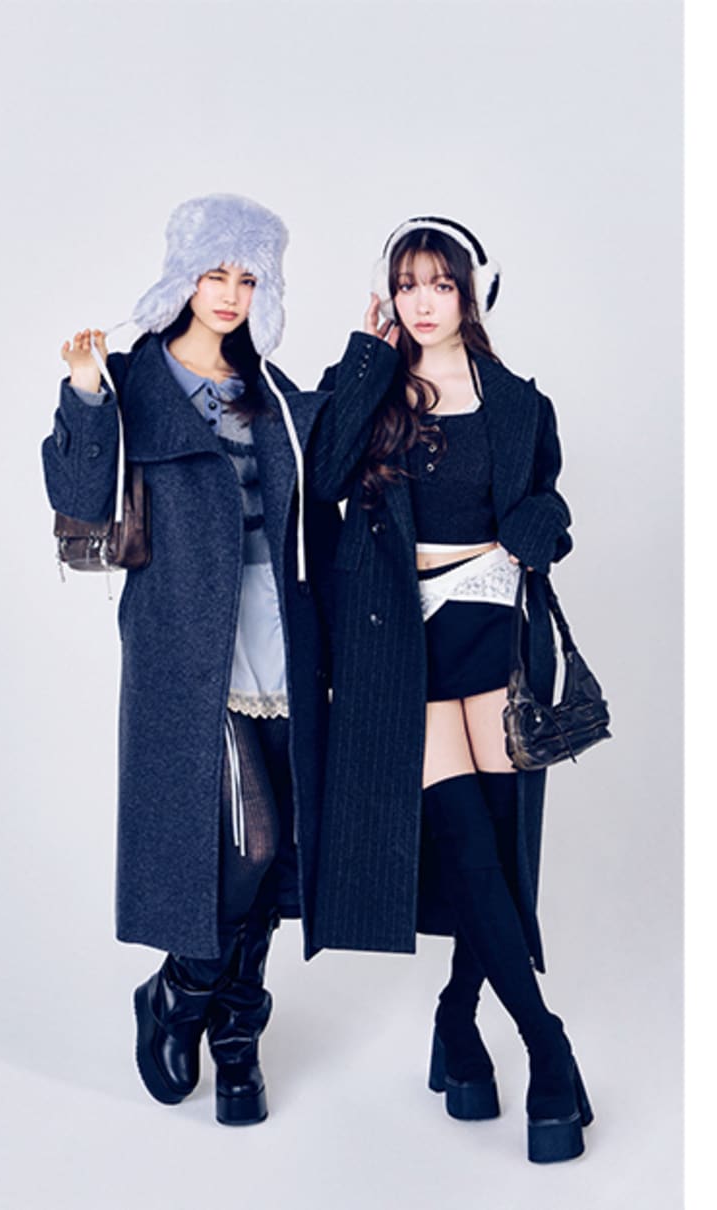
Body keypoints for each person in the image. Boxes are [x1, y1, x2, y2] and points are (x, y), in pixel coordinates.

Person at [41, 194, 344, 1126]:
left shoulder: (272, 391)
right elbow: (80, 495)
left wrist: (373, 355)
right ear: (184, 277)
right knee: (249, 842)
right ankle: (180, 993)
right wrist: (86, 393)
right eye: (216, 273)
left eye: (248, 278)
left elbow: (333, 465)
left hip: (283, 634)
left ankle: (239, 1035)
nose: (231, 294)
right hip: (189, 644)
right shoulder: (137, 379)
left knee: (283, 846)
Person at [309, 216, 593, 1163]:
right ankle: (546, 1046)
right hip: (401, 642)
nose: (422, 301)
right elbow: (324, 474)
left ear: (472, 293)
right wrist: (364, 357)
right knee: (468, 845)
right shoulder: (376, 387)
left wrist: (543, 523)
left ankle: (458, 1018)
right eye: (407, 284)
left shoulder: (520, 402)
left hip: (493, 631)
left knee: (502, 851)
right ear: (388, 294)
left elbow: (546, 498)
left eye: (440, 283)